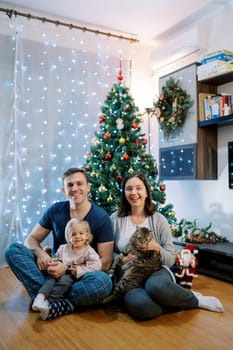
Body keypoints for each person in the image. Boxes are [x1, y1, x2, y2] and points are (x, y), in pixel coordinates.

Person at [110, 172, 224, 321]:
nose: (134, 193)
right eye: (129, 189)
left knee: (157, 287)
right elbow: (108, 253)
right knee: (142, 307)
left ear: (146, 192)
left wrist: (157, 248)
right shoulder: (115, 219)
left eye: (139, 188)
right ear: (124, 193)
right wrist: (122, 259)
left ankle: (195, 300)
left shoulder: (159, 220)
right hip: (130, 275)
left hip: (155, 270)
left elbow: (170, 258)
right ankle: (176, 299)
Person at [4, 167, 114, 320]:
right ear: (64, 190)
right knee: (12, 250)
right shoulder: (55, 210)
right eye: (70, 185)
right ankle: (60, 300)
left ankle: (46, 298)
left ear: (88, 187)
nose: (75, 189)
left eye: (79, 184)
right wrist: (41, 253)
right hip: (53, 270)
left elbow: (106, 263)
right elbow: (31, 239)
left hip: (80, 276)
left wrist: (68, 269)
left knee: (104, 283)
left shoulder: (101, 217)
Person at [32, 218, 102, 320]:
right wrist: (53, 265)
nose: (77, 236)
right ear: (68, 237)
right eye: (73, 234)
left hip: (71, 275)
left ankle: (49, 302)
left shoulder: (89, 251)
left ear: (87, 235)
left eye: (81, 233)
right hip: (57, 272)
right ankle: (39, 298)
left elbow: (97, 265)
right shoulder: (63, 248)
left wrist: (78, 270)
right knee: (50, 281)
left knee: (64, 282)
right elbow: (56, 259)